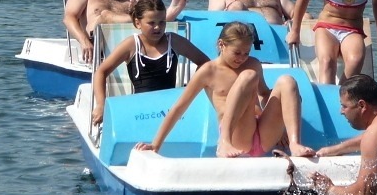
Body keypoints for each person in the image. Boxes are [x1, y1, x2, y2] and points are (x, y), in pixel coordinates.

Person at [135, 21, 315, 158]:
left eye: (246, 53)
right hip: (238, 137)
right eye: (237, 53)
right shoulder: (208, 71)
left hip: (262, 132)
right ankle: (224, 141)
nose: (242, 58)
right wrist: (156, 144)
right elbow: (179, 108)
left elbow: (265, 94)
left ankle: (295, 144)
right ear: (221, 45)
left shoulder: (253, 63)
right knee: (248, 76)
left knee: (287, 81)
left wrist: (281, 127)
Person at [91, 0, 210, 124]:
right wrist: (101, 104)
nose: (157, 27)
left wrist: (192, 90)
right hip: (141, 112)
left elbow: (205, 63)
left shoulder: (174, 41)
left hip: (169, 110)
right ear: (138, 23)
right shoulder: (131, 45)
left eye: (162, 22)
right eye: (151, 23)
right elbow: (101, 72)